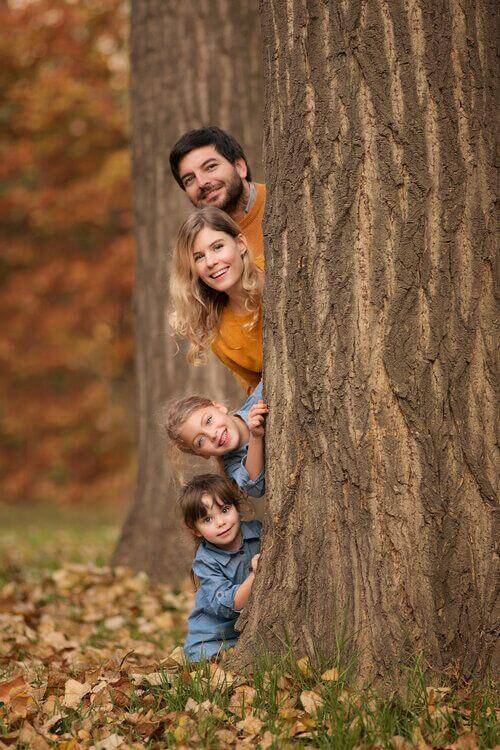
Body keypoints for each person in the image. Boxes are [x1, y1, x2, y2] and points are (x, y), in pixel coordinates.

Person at [169, 206, 263, 392]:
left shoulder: (278, 270)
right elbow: (256, 388)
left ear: (240, 244)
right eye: (199, 257)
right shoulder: (220, 335)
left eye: (217, 247)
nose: (211, 262)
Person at [181, 474, 261, 662]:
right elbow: (228, 605)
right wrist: (255, 575)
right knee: (211, 659)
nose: (220, 522)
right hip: (214, 636)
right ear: (195, 530)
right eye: (207, 520)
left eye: (225, 510)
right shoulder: (205, 562)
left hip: (251, 629)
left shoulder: (259, 532)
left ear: (237, 507)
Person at [169, 126, 265, 263]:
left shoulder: (280, 203)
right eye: (189, 179)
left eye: (210, 167)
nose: (201, 183)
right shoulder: (198, 246)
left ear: (239, 167)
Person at [161, 381, 268, 498]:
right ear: (201, 454)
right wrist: (255, 438)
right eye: (200, 441)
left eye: (208, 421)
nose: (212, 435)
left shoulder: (259, 398)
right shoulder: (232, 465)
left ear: (219, 407)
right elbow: (255, 488)